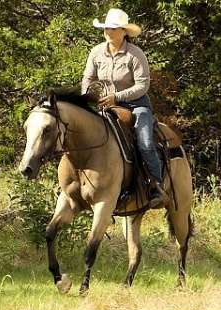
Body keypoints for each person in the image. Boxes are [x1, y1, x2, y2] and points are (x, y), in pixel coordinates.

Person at [81, 8, 165, 207]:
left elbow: (142, 86)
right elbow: (88, 77)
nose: (108, 32)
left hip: (136, 106)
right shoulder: (96, 52)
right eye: (106, 28)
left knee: (144, 142)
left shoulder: (135, 55)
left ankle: (156, 185)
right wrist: (87, 95)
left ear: (124, 32)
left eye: (113, 29)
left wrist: (116, 97)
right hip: (103, 104)